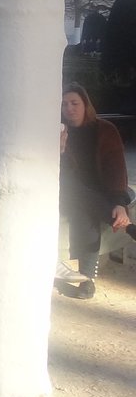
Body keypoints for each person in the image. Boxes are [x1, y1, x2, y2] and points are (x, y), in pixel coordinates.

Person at [59, 82, 135, 298]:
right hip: (68, 192)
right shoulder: (57, 131)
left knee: (84, 207)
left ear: (86, 104)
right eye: (64, 104)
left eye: (75, 103)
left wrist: (119, 203)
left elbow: (117, 169)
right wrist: (61, 151)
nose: (69, 108)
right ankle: (88, 280)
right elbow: (56, 173)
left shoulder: (105, 129)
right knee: (73, 192)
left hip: (103, 192)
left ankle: (87, 282)